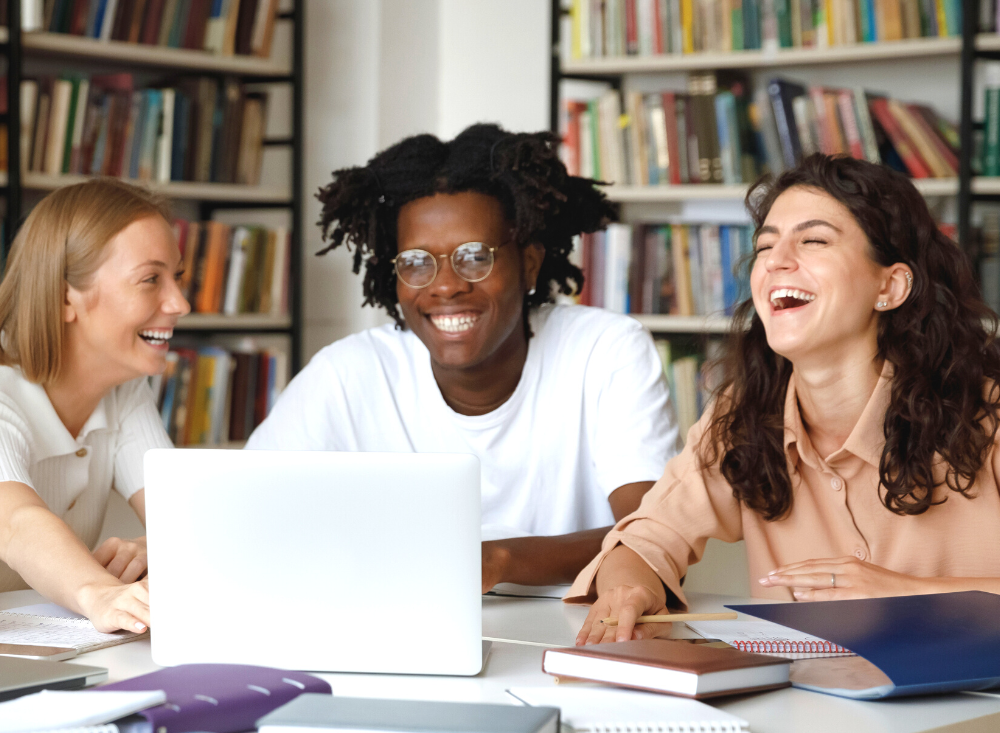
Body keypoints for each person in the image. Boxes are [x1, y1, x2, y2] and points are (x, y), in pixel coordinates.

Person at [573, 154, 1000, 646]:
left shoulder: (998, 421)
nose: (777, 260)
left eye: (814, 240)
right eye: (765, 246)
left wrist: (909, 595)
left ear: (889, 285)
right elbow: (646, 539)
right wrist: (628, 590)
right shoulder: (741, 416)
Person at [247, 124, 678, 593]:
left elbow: (653, 536)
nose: (446, 285)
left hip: (579, 634)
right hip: (398, 633)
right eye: (416, 262)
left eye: (475, 257)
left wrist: (499, 560)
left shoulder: (605, 351)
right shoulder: (349, 373)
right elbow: (240, 511)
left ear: (529, 264)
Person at [0, 178, 187, 634]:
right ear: (67, 294)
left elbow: (186, 520)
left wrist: (164, 547)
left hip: (32, 650)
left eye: (176, 278)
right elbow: (17, 523)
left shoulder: (125, 393)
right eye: (150, 279)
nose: (179, 303)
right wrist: (98, 593)